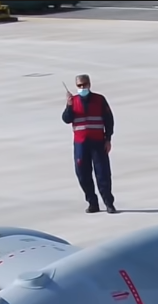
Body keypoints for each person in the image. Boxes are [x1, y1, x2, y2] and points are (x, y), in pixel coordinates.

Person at [62, 74, 117, 213]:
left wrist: (108, 139)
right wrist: (68, 106)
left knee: (103, 173)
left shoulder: (99, 99)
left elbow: (109, 120)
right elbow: (66, 119)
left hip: (98, 143)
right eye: (79, 85)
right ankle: (92, 203)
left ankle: (109, 203)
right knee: (82, 174)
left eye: (84, 84)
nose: (82, 87)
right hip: (81, 144)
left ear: (89, 84)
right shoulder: (73, 101)